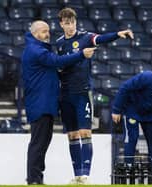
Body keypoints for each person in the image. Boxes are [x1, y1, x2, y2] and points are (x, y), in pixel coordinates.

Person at [55, 7, 134, 184]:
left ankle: (86, 175)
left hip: (82, 93)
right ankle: (77, 176)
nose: (70, 26)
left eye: (73, 22)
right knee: (72, 136)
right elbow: (59, 66)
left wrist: (117, 34)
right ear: (61, 24)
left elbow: (100, 38)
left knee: (85, 133)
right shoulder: (59, 43)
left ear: (76, 22)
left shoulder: (84, 37)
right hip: (65, 94)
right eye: (67, 23)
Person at [21, 20, 96, 184]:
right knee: (38, 143)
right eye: (43, 31)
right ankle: (33, 179)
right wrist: (81, 54)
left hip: (43, 103)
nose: (47, 34)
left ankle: (36, 178)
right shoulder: (36, 50)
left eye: (47, 31)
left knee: (41, 143)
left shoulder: (37, 48)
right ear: (34, 33)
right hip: (40, 103)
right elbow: (56, 61)